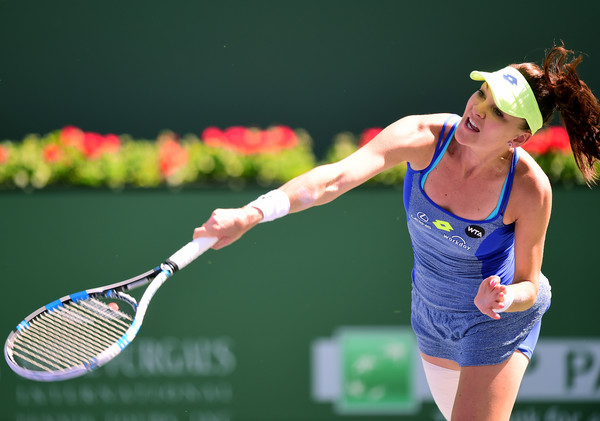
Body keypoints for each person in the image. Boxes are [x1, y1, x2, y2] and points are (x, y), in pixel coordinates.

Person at [193, 45, 600, 420]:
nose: (477, 110)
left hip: (496, 318)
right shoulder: (423, 137)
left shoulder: (529, 188)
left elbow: (530, 282)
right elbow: (333, 180)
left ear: (520, 137)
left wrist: (504, 296)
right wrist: (252, 213)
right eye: (481, 95)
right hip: (430, 310)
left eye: (497, 113)